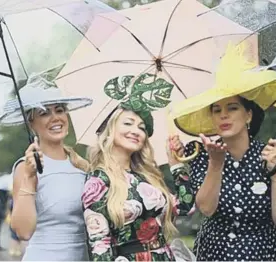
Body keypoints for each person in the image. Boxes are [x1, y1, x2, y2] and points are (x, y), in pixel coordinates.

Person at [168, 41, 276, 261]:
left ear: (248, 114)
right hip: (213, 255)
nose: (223, 115)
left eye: (232, 108)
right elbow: (206, 208)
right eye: (217, 110)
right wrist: (216, 164)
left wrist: (275, 173)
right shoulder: (202, 153)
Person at [82, 78, 194, 261]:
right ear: (110, 130)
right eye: (128, 123)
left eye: (142, 128)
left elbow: (185, 207)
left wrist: (176, 165)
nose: (136, 130)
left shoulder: (147, 177)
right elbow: (99, 245)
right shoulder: (99, 181)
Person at [0, 72, 93, 261]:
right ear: (30, 123)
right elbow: (23, 231)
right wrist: (29, 178)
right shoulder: (25, 168)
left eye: (59, 110)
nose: (55, 118)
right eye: (44, 113)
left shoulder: (83, 165)